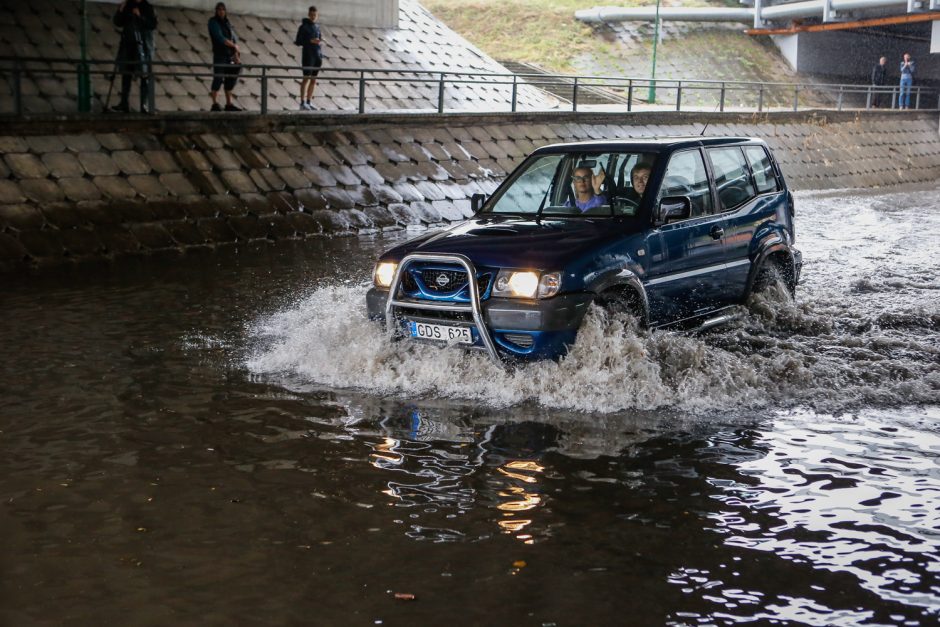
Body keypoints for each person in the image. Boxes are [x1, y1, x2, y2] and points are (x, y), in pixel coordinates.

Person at [110, 0, 157, 113]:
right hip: (128, 45)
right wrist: (120, 11)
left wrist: (139, 16)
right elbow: (118, 22)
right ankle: (124, 103)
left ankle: (144, 104)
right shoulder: (128, 5)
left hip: (143, 46)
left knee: (144, 74)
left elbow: (152, 25)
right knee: (126, 73)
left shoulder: (148, 7)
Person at [208, 2, 242, 111]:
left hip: (229, 56)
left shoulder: (227, 23)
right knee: (218, 78)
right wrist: (234, 46)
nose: (221, 11)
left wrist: (236, 53)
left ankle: (229, 104)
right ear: (216, 11)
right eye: (219, 9)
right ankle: (214, 103)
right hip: (220, 55)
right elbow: (220, 38)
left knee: (230, 79)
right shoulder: (213, 22)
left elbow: (234, 39)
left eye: (223, 9)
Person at [295, 6, 323, 111]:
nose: (313, 17)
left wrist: (320, 41)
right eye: (311, 15)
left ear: (317, 15)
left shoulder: (317, 27)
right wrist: (310, 41)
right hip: (308, 55)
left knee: (313, 80)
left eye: (315, 15)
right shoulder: (303, 27)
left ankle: (309, 101)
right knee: (306, 78)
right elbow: (298, 41)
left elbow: (319, 39)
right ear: (308, 14)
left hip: (317, 55)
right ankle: (302, 102)